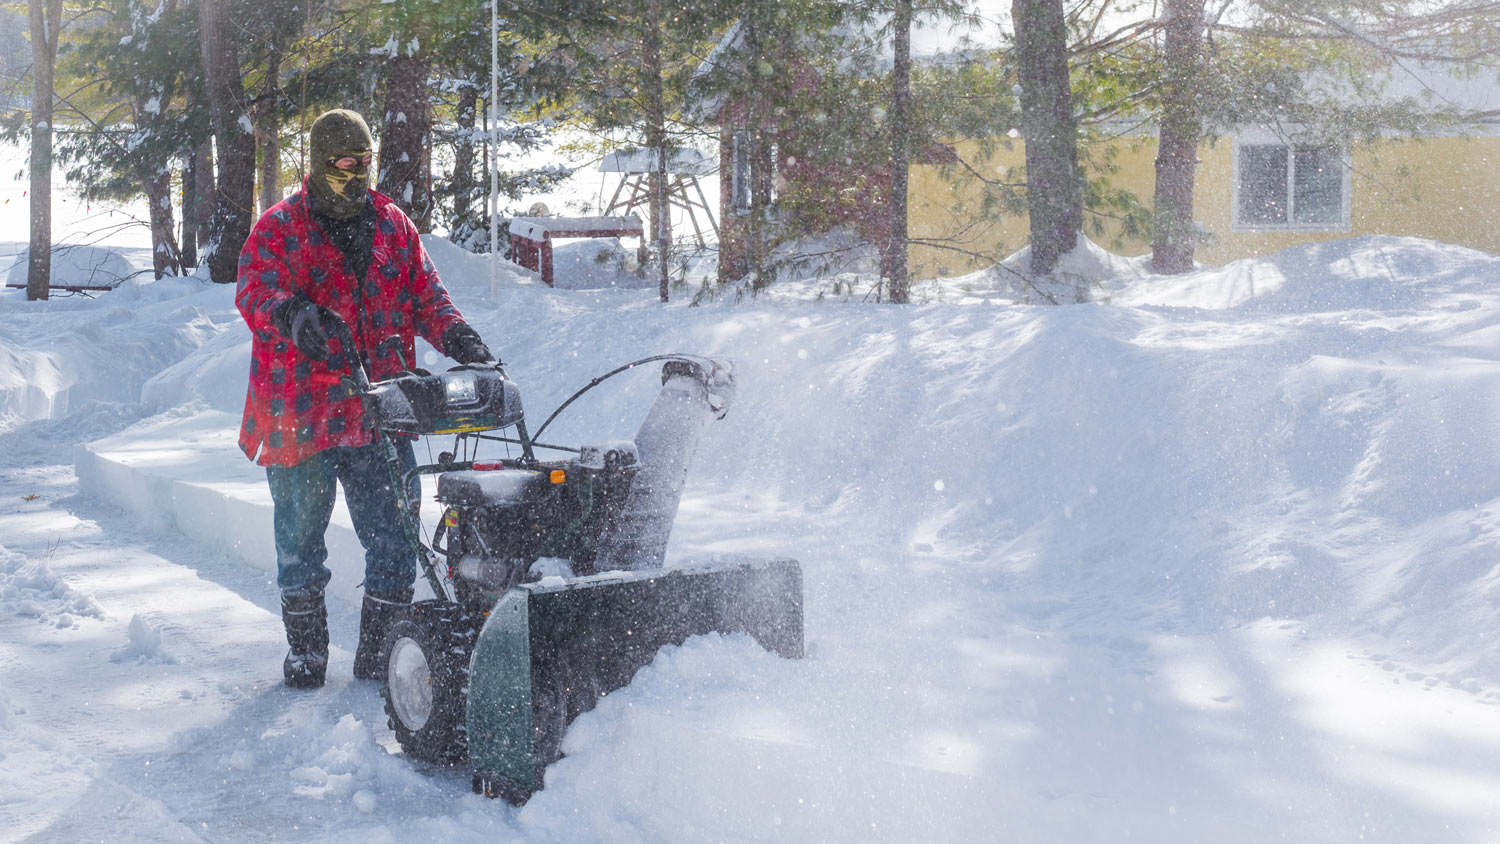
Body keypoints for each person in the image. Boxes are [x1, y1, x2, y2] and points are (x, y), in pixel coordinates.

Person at [235, 109, 494, 688]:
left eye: (364, 163)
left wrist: (458, 336)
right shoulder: (279, 227)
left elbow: (427, 295)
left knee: (397, 538)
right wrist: (292, 313)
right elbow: (254, 288)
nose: (354, 176)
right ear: (319, 163)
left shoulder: (392, 225)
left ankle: (379, 659)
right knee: (301, 541)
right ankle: (306, 652)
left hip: (381, 407)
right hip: (301, 409)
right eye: (342, 165)